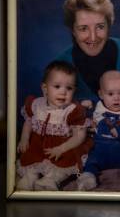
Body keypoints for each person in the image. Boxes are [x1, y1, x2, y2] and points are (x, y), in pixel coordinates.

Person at [57, 0, 120, 104]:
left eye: (100, 27)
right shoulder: (61, 64)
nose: (93, 37)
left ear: (109, 25)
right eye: (83, 28)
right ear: (73, 30)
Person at [16, 60, 93, 191]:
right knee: (32, 161)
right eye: (57, 86)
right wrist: (24, 138)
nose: (63, 92)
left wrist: (61, 148)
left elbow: (79, 136)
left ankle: (51, 180)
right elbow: (29, 122)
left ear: (74, 90)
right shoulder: (36, 104)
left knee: (63, 165)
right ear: (45, 88)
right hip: (38, 146)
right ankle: (30, 177)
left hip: (63, 146)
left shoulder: (73, 110)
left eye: (69, 88)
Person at [77, 70, 120, 191]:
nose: (116, 98)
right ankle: (88, 176)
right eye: (110, 94)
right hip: (100, 147)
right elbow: (80, 116)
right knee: (90, 161)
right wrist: (83, 107)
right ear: (101, 94)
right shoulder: (97, 109)